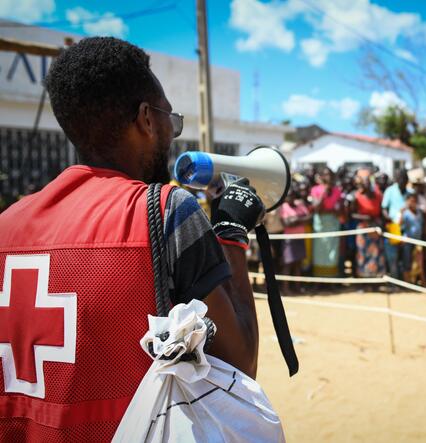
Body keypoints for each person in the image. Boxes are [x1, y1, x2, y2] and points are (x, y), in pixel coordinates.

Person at [0, 38, 263, 440]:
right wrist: (232, 236)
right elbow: (239, 363)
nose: (170, 135)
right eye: (168, 121)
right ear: (146, 119)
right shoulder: (166, 210)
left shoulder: (7, 225)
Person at [351, 169, 385, 279]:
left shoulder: (378, 195)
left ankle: (375, 280)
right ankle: (364, 281)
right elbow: (352, 214)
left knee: (375, 255)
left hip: (375, 229)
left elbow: (381, 212)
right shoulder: (357, 196)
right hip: (363, 229)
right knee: (362, 255)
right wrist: (366, 218)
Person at [310, 167, 342, 277]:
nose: (328, 177)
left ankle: (331, 279)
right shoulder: (315, 189)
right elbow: (317, 208)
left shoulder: (337, 190)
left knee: (332, 251)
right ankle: (319, 279)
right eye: (325, 174)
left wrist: (330, 210)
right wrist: (324, 192)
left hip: (333, 223)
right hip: (320, 224)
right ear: (322, 177)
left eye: (329, 174)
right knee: (320, 251)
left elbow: (338, 210)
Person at [279, 188, 312, 294]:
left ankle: (297, 287)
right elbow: (287, 223)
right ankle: (285, 289)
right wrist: (301, 219)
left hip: (300, 237)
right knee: (288, 264)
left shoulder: (300, 205)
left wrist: (295, 219)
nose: (290, 198)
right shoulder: (283, 207)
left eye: (291, 195)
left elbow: (309, 218)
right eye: (288, 196)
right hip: (289, 239)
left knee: (298, 264)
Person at [382, 169, 409, 278]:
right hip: (393, 228)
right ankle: (394, 281)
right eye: (399, 178)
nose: (401, 181)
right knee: (392, 256)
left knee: (406, 256)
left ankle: (404, 280)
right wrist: (389, 219)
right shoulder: (390, 191)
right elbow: (384, 208)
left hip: (407, 229)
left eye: (403, 178)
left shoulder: (410, 193)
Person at [400, 192, 424, 283]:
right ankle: (407, 283)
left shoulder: (419, 212)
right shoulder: (405, 213)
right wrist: (401, 213)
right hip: (407, 241)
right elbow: (400, 225)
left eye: (414, 201)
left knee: (419, 262)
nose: (412, 203)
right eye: (410, 201)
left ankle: (420, 282)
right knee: (407, 262)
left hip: (418, 241)